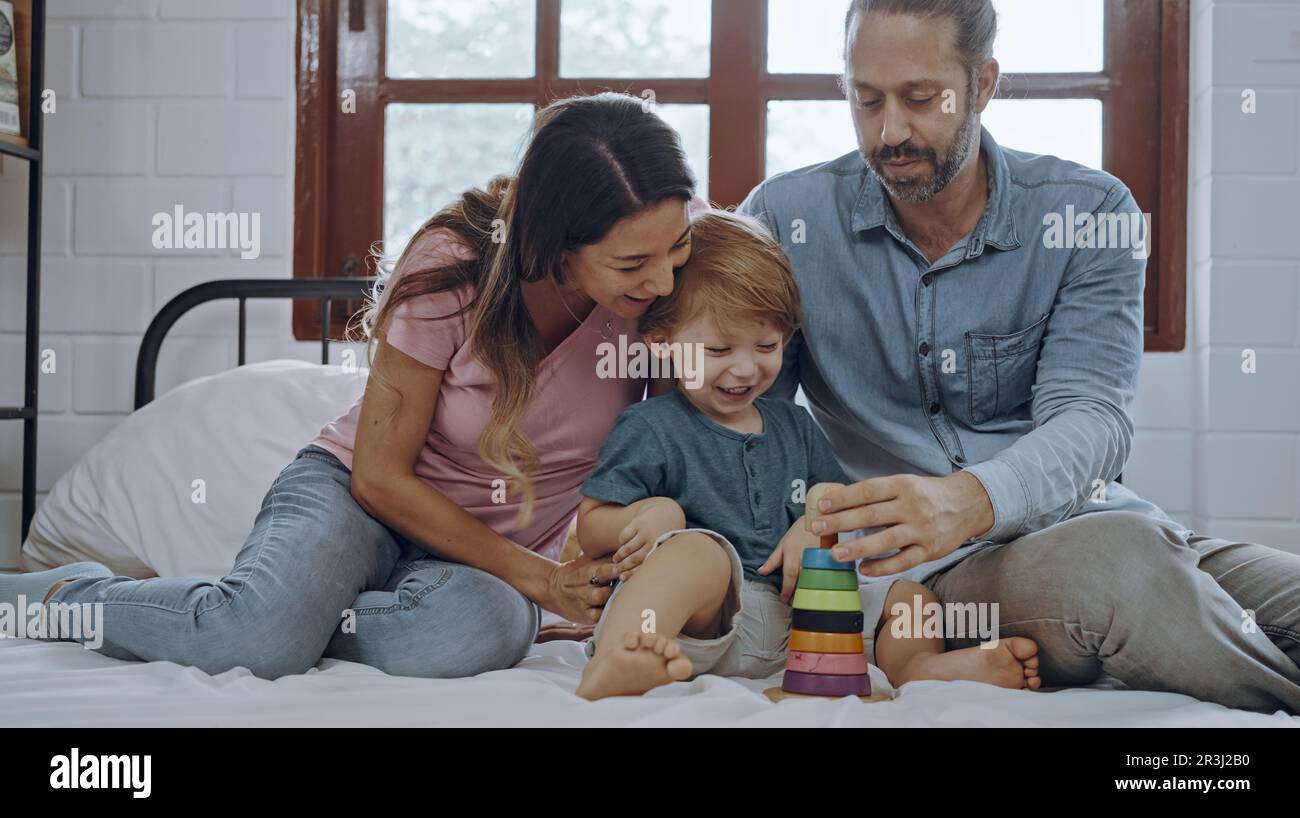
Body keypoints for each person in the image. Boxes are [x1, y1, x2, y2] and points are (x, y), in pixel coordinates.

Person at [0, 92, 697, 680]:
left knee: (471, 635)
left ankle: (291, 615)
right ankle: (72, 598)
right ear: (553, 245)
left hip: (484, 564)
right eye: (633, 262)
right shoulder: (452, 266)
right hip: (362, 499)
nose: (662, 279)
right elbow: (379, 477)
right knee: (251, 640)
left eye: (677, 247)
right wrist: (546, 582)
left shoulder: (665, 302)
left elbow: (671, 459)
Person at [737, 0, 1300, 713]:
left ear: (985, 84)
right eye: (865, 98)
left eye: (920, 98)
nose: (890, 132)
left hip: (1092, 523)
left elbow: (1094, 420)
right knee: (1122, 565)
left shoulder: (1090, 213)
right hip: (925, 575)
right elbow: (741, 421)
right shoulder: (784, 220)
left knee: (1179, 564)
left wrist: (968, 501)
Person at [573, 210, 1041, 700]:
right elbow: (591, 527)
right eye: (718, 350)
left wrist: (816, 523)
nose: (746, 368)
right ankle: (623, 657)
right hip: (704, 628)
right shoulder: (651, 427)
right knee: (698, 553)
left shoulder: (793, 424)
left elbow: (836, 495)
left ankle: (919, 666)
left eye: (767, 345)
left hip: (806, 624)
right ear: (661, 342)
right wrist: (654, 513)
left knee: (910, 597)